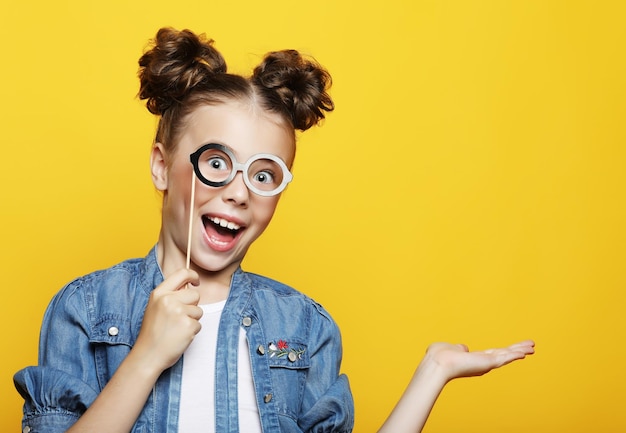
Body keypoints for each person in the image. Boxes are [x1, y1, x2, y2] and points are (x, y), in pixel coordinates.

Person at [13, 27, 534, 433]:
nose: (240, 191)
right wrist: (147, 355)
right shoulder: (85, 309)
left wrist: (433, 373)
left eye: (264, 175)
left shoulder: (305, 328)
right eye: (217, 163)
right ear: (160, 164)